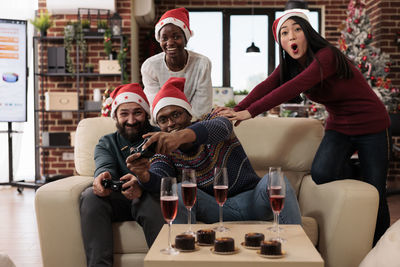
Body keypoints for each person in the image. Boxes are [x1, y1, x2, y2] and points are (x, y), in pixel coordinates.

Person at [214, 9, 391, 245]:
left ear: (308, 33)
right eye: (285, 33)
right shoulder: (289, 66)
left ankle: (380, 245)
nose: (292, 36)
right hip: (339, 126)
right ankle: (359, 171)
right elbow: (267, 85)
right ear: (281, 43)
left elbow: (293, 87)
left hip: (371, 124)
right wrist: (237, 108)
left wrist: (251, 112)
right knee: (321, 173)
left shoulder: (326, 56)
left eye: (297, 29)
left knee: (376, 190)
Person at [126, 77, 302, 226]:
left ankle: (297, 250)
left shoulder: (212, 119)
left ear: (189, 115)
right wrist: (144, 175)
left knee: (276, 179)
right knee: (178, 188)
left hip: (252, 201)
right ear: (159, 125)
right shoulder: (164, 149)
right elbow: (160, 179)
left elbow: (222, 127)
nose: (171, 123)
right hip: (213, 208)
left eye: (176, 115)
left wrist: (179, 137)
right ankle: (183, 253)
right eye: (163, 120)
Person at [79, 83, 165, 267]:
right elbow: (104, 164)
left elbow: (163, 171)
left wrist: (141, 184)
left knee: (153, 202)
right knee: (90, 197)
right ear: (116, 117)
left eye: (137, 113)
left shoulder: (160, 137)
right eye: (124, 113)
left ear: (147, 114)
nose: (131, 120)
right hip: (117, 197)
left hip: (148, 195)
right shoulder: (106, 142)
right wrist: (103, 177)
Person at [141, 7, 213, 119]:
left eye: (176, 37)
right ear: (159, 41)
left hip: (194, 125)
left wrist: (183, 132)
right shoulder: (150, 66)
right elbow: (155, 106)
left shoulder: (202, 64)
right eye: (164, 38)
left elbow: (202, 107)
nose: (170, 43)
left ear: (185, 39)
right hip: (163, 124)